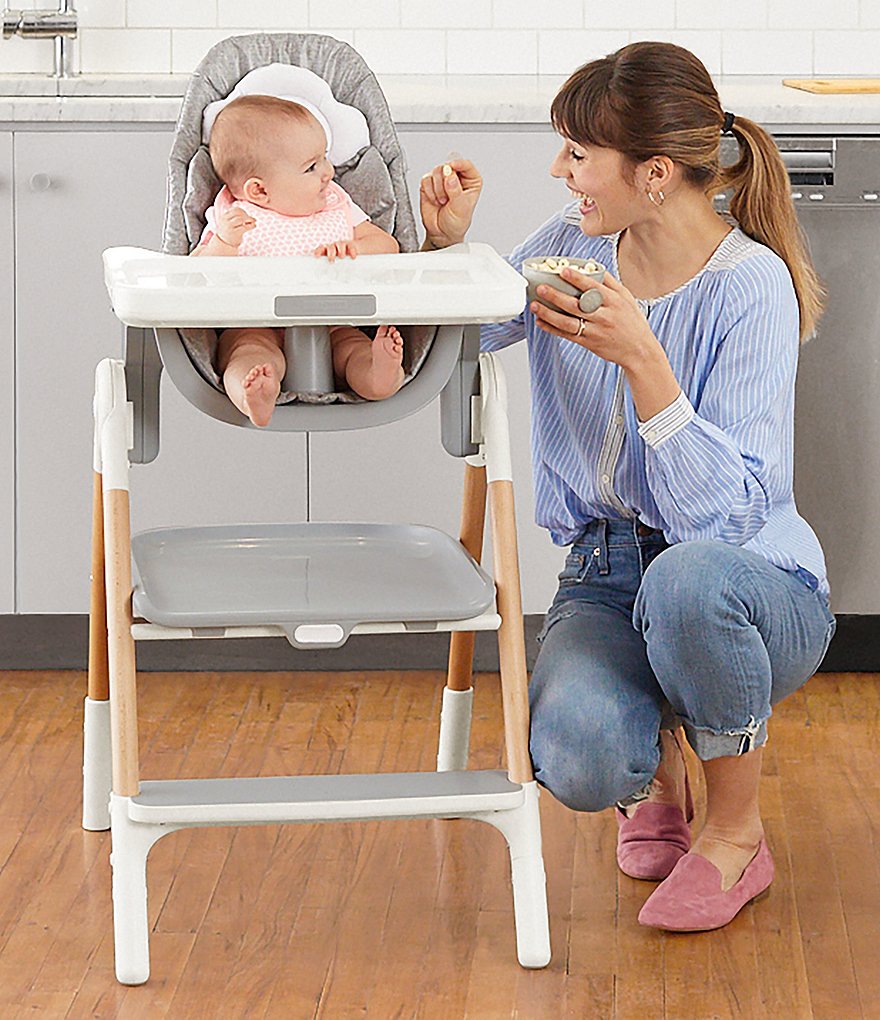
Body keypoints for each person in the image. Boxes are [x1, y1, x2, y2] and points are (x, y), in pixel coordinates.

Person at [419, 41, 836, 932]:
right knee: (576, 756)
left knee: (685, 580)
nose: (559, 171)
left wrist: (646, 363)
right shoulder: (572, 249)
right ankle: (655, 771)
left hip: (749, 584)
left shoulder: (751, 288)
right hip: (604, 570)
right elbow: (458, 343)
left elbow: (724, 518)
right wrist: (445, 252)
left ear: (652, 173)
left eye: (578, 154)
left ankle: (734, 833)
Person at [193, 94, 404, 426]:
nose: (329, 172)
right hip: (252, 321)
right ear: (259, 191)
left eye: (324, 158)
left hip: (333, 319)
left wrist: (354, 247)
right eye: (312, 166)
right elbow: (195, 275)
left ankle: (378, 373)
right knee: (246, 354)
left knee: (351, 347)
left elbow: (388, 245)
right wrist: (223, 244)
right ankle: (254, 392)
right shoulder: (233, 218)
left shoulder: (336, 204)